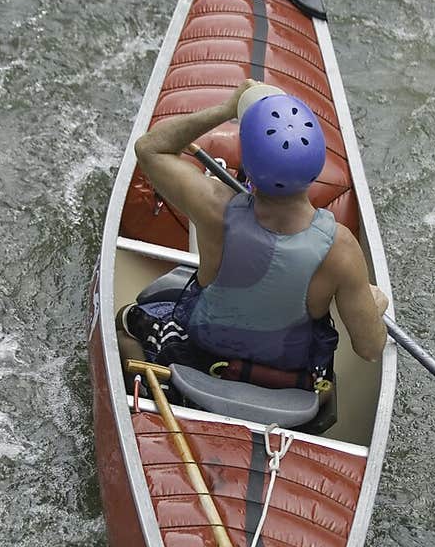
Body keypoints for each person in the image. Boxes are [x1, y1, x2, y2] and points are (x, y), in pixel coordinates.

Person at [126, 79, 388, 382]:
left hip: (203, 355)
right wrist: (375, 305)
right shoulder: (342, 247)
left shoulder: (215, 207)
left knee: (129, 322)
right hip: (288, 376)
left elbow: (149, 149)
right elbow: (369, 348)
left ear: (247, 168)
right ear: (317, 165)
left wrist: (227, 108)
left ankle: (147, 387)